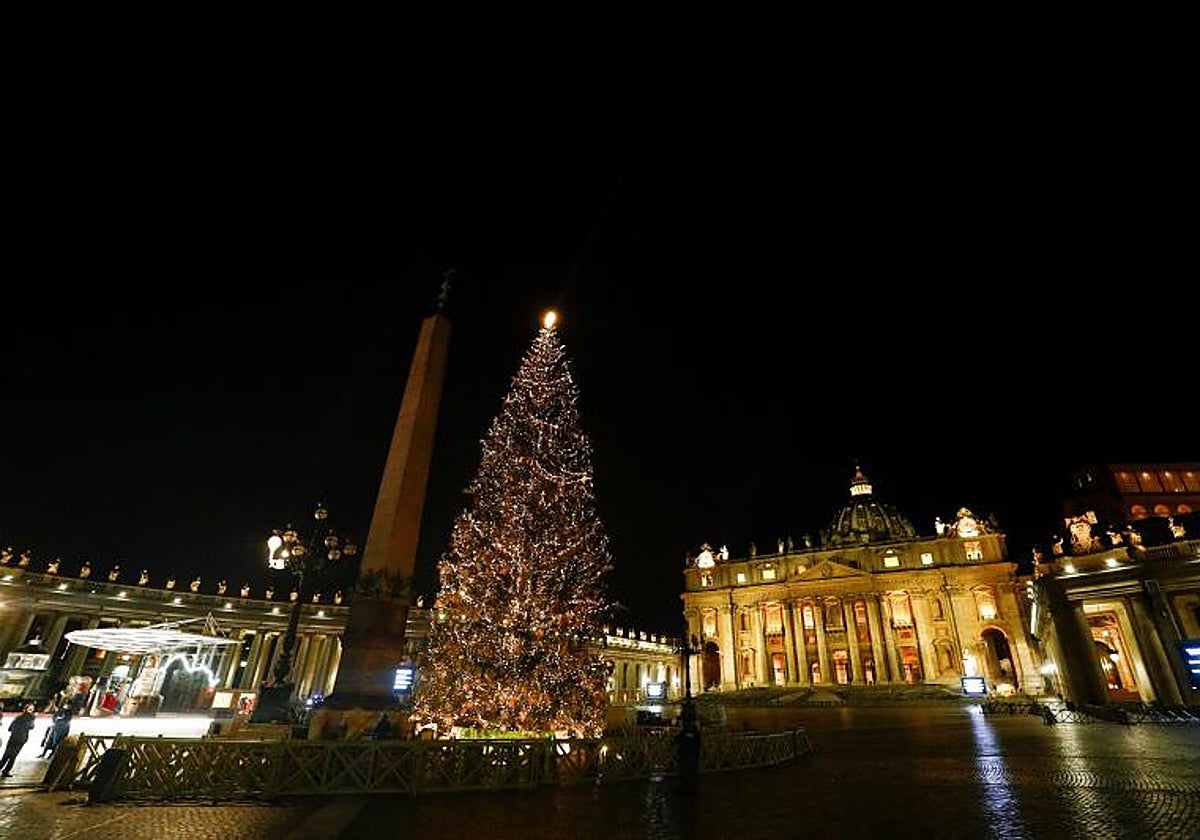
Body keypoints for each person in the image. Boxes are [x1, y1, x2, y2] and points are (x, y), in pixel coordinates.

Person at [0, 704, 37, 776]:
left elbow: (10, 728)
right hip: (21, 740)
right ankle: (5, 771)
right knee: (13, 756)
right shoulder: (31, 718)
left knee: (6, 754)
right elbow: (31, 727)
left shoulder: (18, 717)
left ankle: (1, 767)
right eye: (31, 709)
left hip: (13, 738)